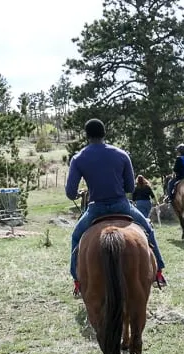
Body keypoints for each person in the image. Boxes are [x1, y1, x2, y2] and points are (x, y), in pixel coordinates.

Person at [66, 119, 166, 297]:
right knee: (148, 230)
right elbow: (130, 188)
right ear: (105, 134)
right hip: (122, 205)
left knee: (76, 238)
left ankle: (77, 281)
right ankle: (158, 271)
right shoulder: (121, 154)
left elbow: (70, 192)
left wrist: (76, 194)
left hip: (96, 208)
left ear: (87, 136)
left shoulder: (78, 158)